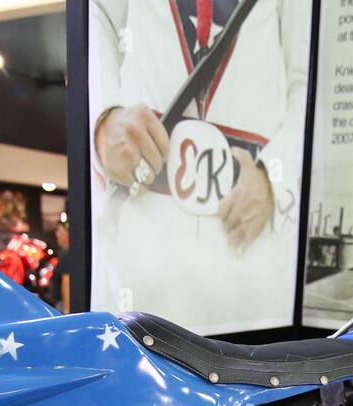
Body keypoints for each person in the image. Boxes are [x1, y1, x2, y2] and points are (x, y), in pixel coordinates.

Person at [89, 0, 308, 334]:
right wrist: (103, 121)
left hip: (249, 253)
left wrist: (275, 175)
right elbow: (96, 18)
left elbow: (307, 75)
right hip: (139, 243)